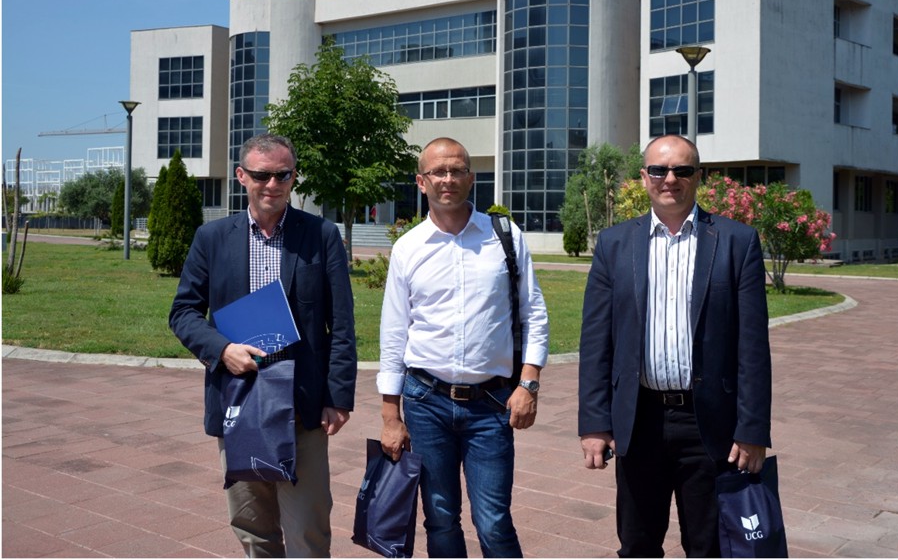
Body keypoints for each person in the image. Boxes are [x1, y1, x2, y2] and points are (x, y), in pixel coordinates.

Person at [577, 134, 772, 558]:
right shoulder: (614, 244)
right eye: (659, 170)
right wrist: (594, 422)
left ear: (698, 176)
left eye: (682, 170)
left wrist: (753, 429)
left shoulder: (736, 242)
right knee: (637, 544)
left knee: (710, 546)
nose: (670, 179)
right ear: (643, 176)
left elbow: (753, 347)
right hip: (638, 419)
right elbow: (595, 341)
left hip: (709, 423)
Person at [169, 133, 357, 557]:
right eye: (261, 175)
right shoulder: (212, 238)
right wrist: (222, 350)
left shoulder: (321, 235)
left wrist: (338, 397)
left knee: (308, 532)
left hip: (303, 405)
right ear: (241, 176)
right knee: (253, 530)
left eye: (282, 175)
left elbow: (342, 325)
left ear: (294, 177)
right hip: (240, 401)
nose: (272, 184)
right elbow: (183, 312)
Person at [377, 137, 550, 558]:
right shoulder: (408, 248)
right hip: (426, 401)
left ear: (471, 178)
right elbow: (394, 334)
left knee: (493, 519)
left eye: (457, 170)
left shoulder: (503, 237)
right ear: (421, 182)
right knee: (439, 516)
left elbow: (534, 313)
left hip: (491, 403)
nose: (448, 179)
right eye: (438, 171)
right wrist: (390, 416)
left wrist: (528, 384)